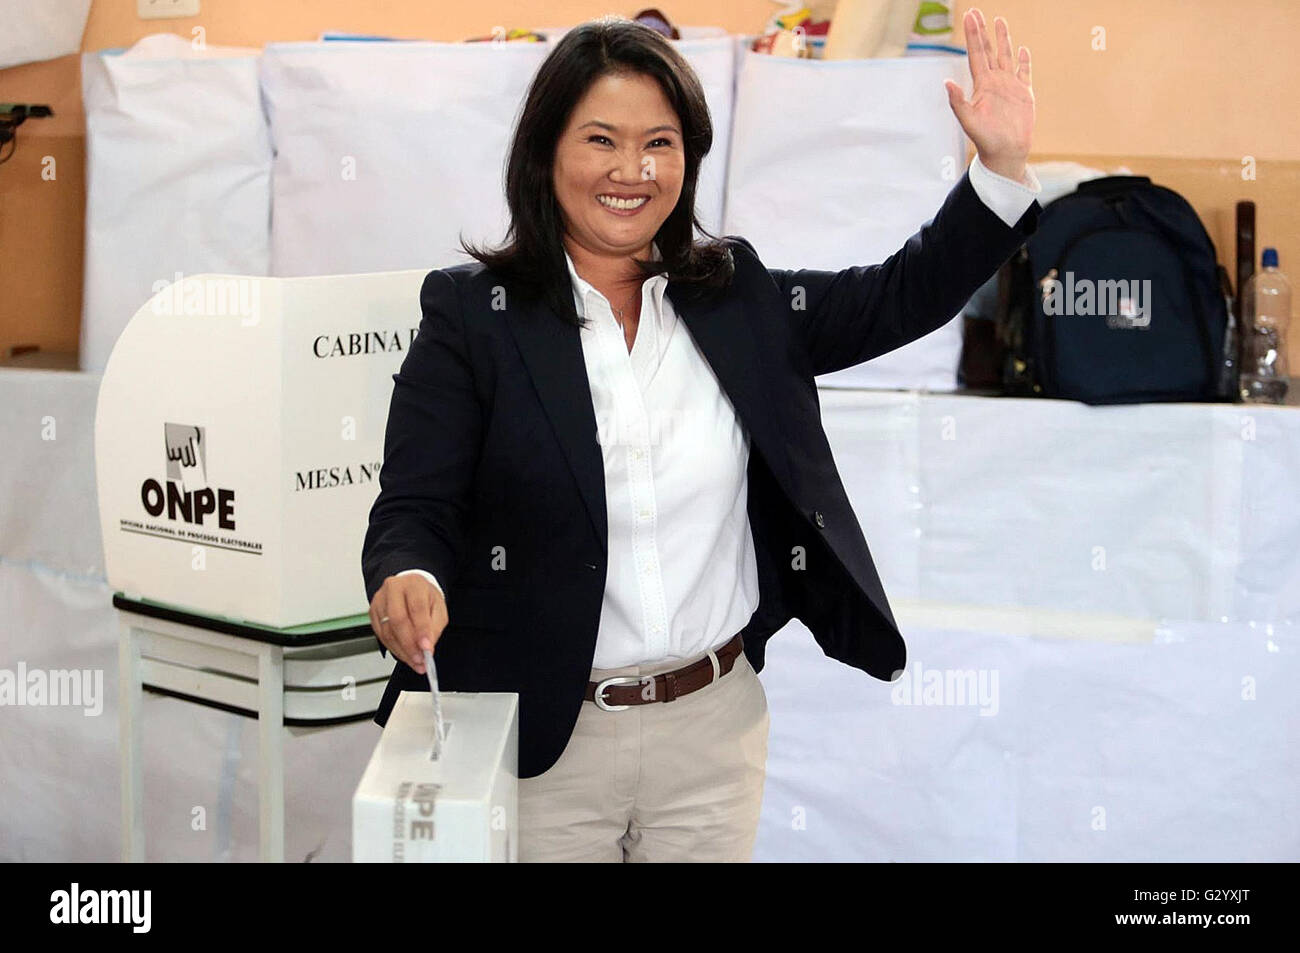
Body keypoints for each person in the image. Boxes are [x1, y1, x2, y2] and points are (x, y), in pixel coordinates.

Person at [362, 8, 1041, 862]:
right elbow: (415, 503)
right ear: (544, 155)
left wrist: (1001, 167)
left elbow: (899, 294)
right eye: (601, 140)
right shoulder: (472, 317)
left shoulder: (738, 298)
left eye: (661, 142)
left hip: (710, 736)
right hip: (540, 741)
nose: (633, 170)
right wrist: (407, 574)